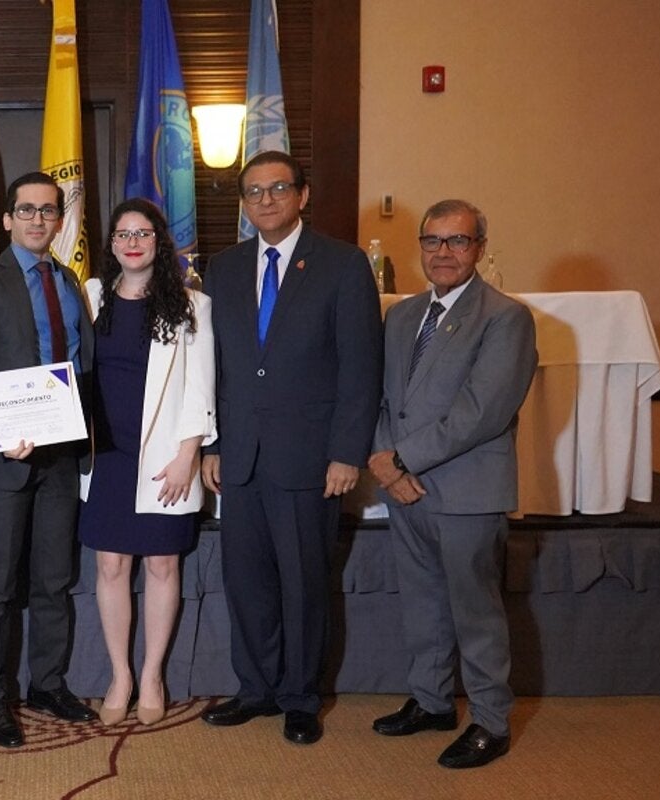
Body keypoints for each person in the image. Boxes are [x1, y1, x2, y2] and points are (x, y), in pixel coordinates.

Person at [199, 150, 382, 744]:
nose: (266, 200)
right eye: (253, 192)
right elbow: (219, 368)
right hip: (241, 456)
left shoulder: (342, 265)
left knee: (304, 583)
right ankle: (255, 687)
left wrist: (347, 452)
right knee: (245, 580)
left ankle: (301, 697)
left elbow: (361, 370)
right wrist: (214, 444)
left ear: (303, 195)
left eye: (278, 188)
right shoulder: (223, 269)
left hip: (310, 458)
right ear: (244, 204)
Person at [367, 200, 536, 769]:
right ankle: (433, 701)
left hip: (467, 491)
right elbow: (385, 399)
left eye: (457, 241)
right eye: (433, 240)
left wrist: (401, 460)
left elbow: (481, 411)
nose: (443, 252)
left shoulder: (505, 317)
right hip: (406, 490)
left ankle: (490, 721)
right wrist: (386, 465)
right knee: (423, 604)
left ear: (479, 248)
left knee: (476, 612)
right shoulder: (401, 315)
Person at [0, 172, 98, 748]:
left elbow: (81, 366)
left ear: (60, 220)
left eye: (49, 211)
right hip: (6, 458)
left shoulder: (70, 281)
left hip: (61, 455)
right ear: (8, 218)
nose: (39, 220)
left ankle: (48, 684)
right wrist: (1, 431)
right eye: (27, 210)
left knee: (54, 580)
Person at [80, 198, 215, 726]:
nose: (132, 241)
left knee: (161, 565)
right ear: (111, 244)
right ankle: (121, 675)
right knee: (111, 565)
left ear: (158, 242)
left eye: (143, 233)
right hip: (106, 454)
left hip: (165, 456)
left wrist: (189, 454)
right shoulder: (89, 296)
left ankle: (153, 673)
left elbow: (201, 386)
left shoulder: (190, 305)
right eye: (122, 233)